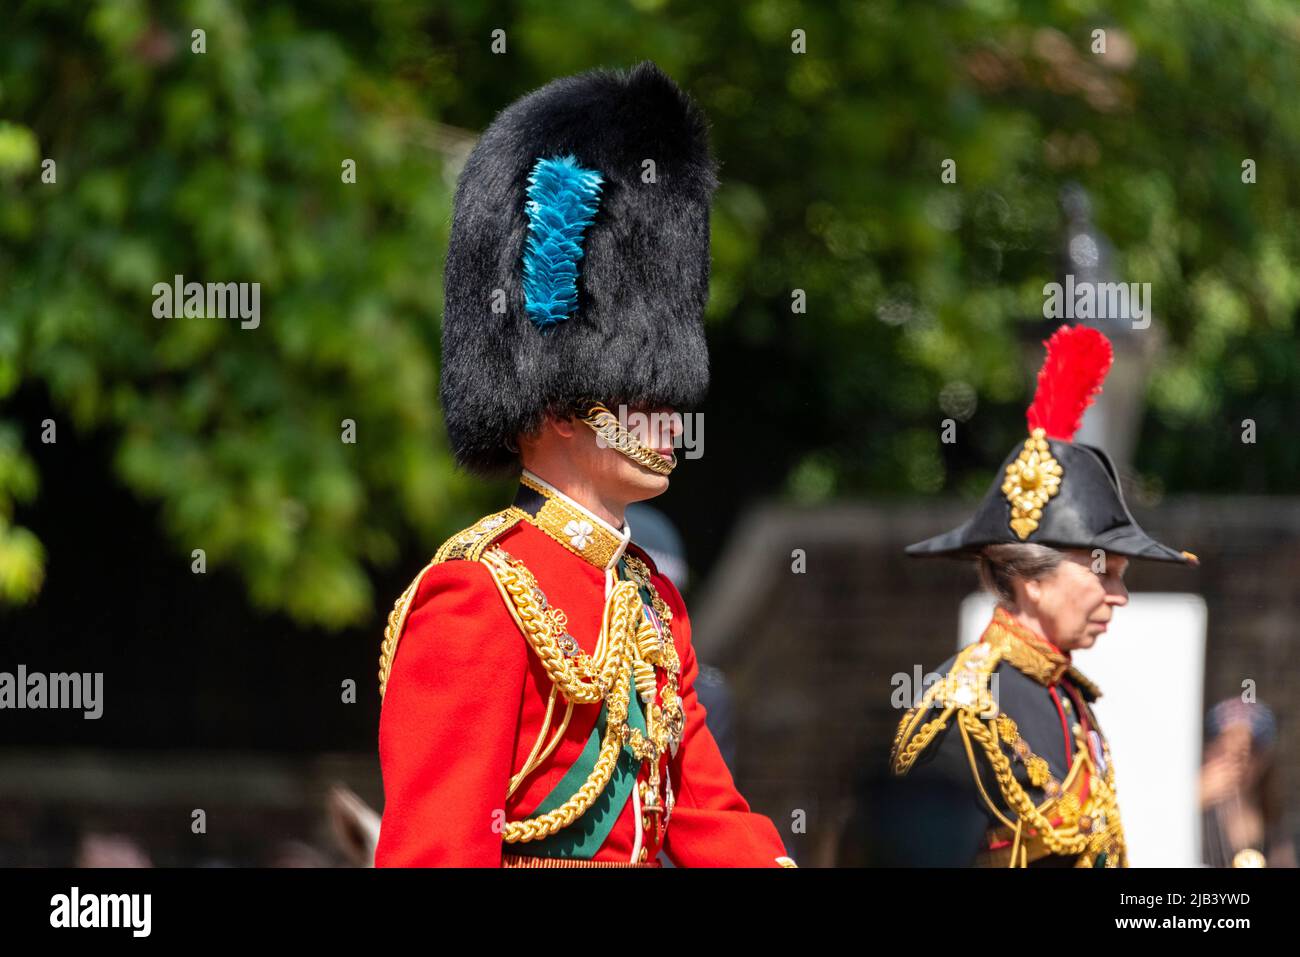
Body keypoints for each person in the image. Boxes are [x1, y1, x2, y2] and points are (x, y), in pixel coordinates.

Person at [374, 62, 794, 868]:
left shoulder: (650, 600)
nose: (670, 413)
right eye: (640, 390)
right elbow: (435, 851)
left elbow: (709, 816)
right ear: (563, 404)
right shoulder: (479, 595)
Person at [889, 325, 1199, 867]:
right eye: (1104, 574)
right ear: (1032, 578)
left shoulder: (1068, 697)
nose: (1119, 596)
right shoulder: (961, 710)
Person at [1200, 699, 1296, 868]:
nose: (1238, 764)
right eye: (1224, 750)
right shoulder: (1195, 804)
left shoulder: (1271, 817)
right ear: (1209, 751)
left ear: (1264, 760)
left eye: (1248, 752)